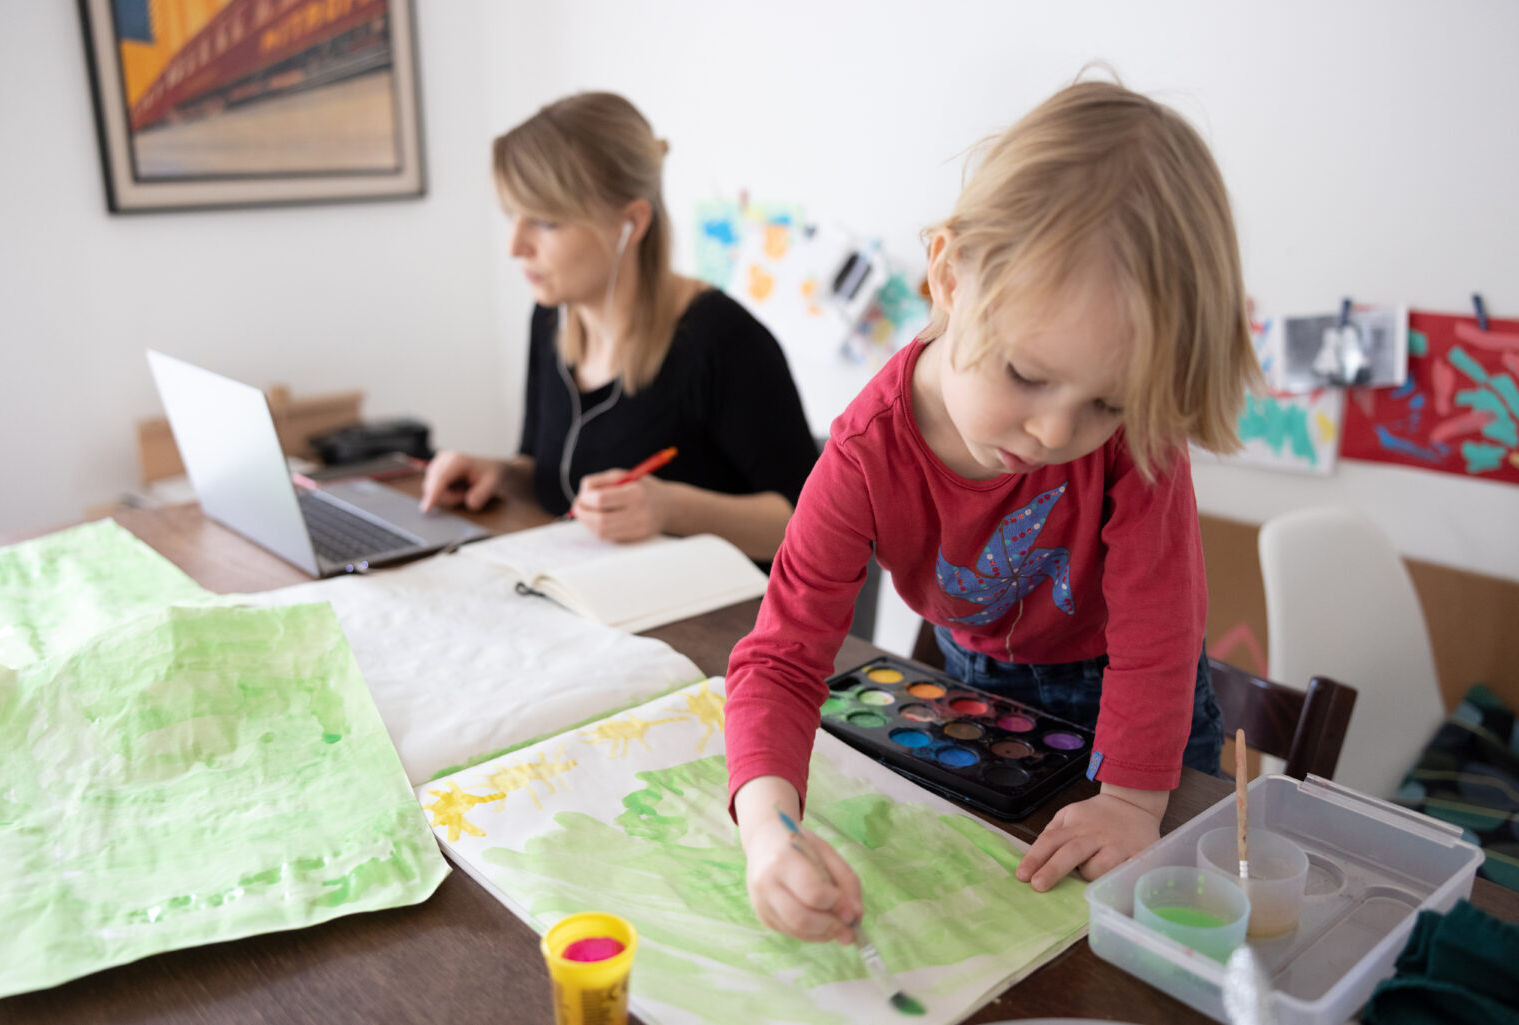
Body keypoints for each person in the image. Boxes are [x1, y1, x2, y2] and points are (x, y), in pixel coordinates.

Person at [724, 78, 1261, 944]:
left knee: (1139, 939)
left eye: (1106, 404)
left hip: (1134, 709)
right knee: (996, 923)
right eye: (1026, 374)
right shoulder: (865, 452)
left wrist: (1129, 799)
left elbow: (1159, 636)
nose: (1057, 431)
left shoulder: (1139, 437)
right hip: (976, 684)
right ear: (948, 273)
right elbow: (782, 660)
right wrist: (766, 830)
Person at [421, 92, 819, 562]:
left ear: (630, 223)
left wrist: (672, 509)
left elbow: (810, 524)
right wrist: (502, 475)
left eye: (546, 221)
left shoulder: (725, 340)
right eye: (513, 216)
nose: (515, 246)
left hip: (710, 622)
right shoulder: (550, 317)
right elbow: (552, 473)